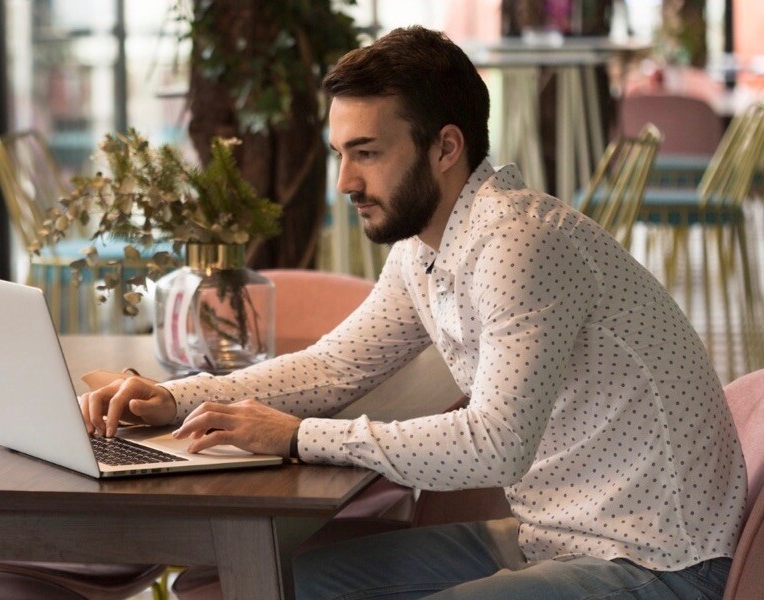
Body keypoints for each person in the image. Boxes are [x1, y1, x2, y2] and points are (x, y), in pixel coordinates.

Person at [80, 26, 746, 599]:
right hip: (554, 538)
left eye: (366, 153)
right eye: (341, 153)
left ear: (445, 148)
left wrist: (295, 435)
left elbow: (495, 445)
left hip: (652, 563)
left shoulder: (518, 243)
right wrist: (175, 400)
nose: (344, 183)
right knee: (261, 585)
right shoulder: (423, 249)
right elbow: (335, 366)